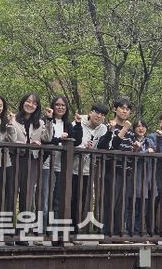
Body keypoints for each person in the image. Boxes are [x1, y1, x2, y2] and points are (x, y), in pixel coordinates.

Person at [9, 93, 53, 244]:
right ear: (23, 102)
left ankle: (23, 232)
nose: (30, 105)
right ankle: (8, 232)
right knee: (11, 194)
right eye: (28, 101)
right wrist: (26, 144)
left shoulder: (40, 122)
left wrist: (49, 120)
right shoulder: (13, 119)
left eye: (34, 103)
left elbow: (47, 138)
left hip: (32, 161)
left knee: (27, 197)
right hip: (15, 159)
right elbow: (11, 139)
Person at [97, 96, 137, 235]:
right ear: (115, 109)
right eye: (122, 108)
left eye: (127, 109)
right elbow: (111, 146)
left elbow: (130, 149)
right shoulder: (110, 126)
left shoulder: (130, 131)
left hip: (127, 170)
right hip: (112, 169)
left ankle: (119, 232)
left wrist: (136, 149)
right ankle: (106, 233)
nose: (125, 111)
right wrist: (124, 129)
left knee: (122, 203)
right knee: (110, 201)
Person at [41, 96, 77, 226]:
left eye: (63, 105)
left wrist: (78, 124)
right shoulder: (45, 121)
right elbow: (46, 139)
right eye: (57, 105)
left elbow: (75, 140)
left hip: (61, 165)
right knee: (44, 198)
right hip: (46, 163)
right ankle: (41, 230)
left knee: (57, 199)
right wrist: (59, 139)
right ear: (53, 106)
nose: (60, 107)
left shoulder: (67, 124)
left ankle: (54, 230)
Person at [71, 104, 107, 231]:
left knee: (83, 201)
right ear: (90, 113)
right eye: (97, 112)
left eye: (102, 115)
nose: (99, 116)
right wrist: (83, 147)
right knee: (71, 199)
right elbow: (71, 143)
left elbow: (103, 146)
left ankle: (79, 230)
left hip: (88, 170)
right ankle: (68, 231)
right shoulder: (78, 123)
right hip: (72, 169)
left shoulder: (103, 129)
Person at [132, 119, 155, 235]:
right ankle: (133, 231)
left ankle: (140, 231)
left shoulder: (149, 141)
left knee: (144, 207)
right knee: (134, 206)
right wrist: (146, 152)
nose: (141, 129)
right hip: (135, 177)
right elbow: (132, 155)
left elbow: (158, 150)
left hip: (147, 178)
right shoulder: (131, 139)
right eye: (138, 126)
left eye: (143, 126)